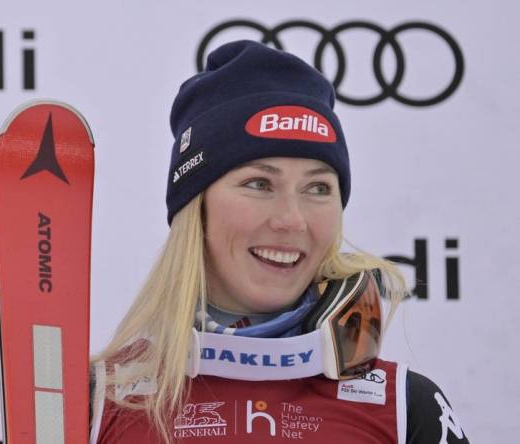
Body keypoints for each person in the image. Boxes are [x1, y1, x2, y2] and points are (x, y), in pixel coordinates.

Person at [89, 40, 469, 443]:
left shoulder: (406, 408)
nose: (292, 220)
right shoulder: (95, 403)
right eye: (259, 183)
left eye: (318, 188)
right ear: (195, 207)